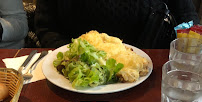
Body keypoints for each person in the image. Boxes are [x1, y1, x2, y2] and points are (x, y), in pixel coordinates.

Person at [34, 0, 200, 49]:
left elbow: (187, 19)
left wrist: (190, 53)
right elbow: (46, 28)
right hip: (75, 78)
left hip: (151, 74)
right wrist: (74, 58)